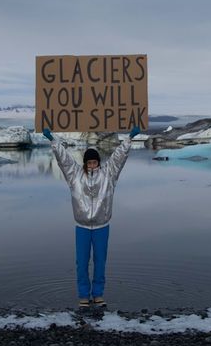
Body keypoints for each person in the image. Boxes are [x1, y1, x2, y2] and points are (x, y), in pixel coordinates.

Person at [43, 125, 141, 308]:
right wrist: (52, 140)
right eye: (89, 163)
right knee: (81, 263)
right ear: (85, 163)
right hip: (82, 227)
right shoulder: (75, 176)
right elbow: (63, 160)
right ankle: (83, 296)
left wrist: (128, 139)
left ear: (98, 162)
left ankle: (98, 295)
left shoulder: (108, 175)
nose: (92, 165)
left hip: (102, 226)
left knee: (100, 262)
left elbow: (119, 158)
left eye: (95, 162)